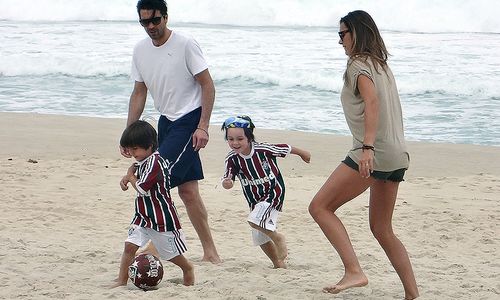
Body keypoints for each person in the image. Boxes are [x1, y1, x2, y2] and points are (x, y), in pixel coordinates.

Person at [308, 10, 419, 299]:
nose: (340, 41)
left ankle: (354, 270)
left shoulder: (358, 64)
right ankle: (412, 294)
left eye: (342, 34)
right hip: (397, 155)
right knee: (382, 229)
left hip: (372, 152)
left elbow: (372, 102)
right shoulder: (381, 64)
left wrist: (367, 147)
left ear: (356, 33)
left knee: (320, 207)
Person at [121, 0, 220, 263]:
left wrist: (203, 126)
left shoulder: (186, 44)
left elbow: (208, 86)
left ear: (165, 17)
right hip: (165, 122)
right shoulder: (140, 50)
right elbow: (139, 91)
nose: (151, 27)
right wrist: (128, 134)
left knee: (157, 179)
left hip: (188, 121)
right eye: (145, 22)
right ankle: (210, 252)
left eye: (155, 20)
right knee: (188, 191)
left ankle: (158, 244)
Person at [220, 116, 311, 268]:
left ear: (249, 138)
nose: (235, 143)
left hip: (273, 192)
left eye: (240, 139)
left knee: (254, 220)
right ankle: (278, 263)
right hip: (254, 199)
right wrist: (227, 183)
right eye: (230, 139)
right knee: (259, 235)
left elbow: (285, 148)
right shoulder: (232, 158)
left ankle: (278, 238)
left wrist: (303, 153)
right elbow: (227, 179)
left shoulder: (263, 149)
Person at [112, 120, 194, 287]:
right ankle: (121, 281)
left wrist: (130, 175)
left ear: (149, 146)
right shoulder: (143, 162)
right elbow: (138, 182)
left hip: (161, 217)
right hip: (142, 216)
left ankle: (188, 269)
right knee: (129, 246)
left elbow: (142, 188)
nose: (132, 152)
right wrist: (126, 179)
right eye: (130, 148)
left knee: (171, 256)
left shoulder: (155, 161)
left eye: (135, 148)